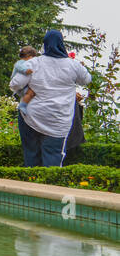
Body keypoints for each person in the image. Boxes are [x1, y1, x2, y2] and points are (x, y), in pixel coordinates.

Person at [10, 29, 91, 167]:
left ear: (45, 44)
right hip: (58, 120)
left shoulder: (34, 63)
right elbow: (87, 79)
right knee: (53, 161)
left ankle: (31, 183)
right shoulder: (73, 65)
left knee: (31, 158)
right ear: (62, 44)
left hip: (31, 117)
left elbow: (15, 84)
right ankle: (50, 186)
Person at [12, 45, 38, 163]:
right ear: (29, 56)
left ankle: (23, 105)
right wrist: (27, 71)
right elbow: (20, 72)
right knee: (32, 92)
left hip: (21, 88)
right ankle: (23, 105)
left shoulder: (24, 62)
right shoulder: (21, 63)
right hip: (21, 88)